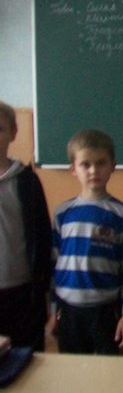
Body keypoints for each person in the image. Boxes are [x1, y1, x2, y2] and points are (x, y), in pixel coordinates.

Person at [51, 129, 123, 354]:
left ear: (112, 166)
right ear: (73, 169)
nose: (93, 170)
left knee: (112, 370)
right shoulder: (62, 213)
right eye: (85, 164)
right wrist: (53, 309)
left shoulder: (122, 214)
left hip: (106, 311)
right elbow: (54, 264)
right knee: (73, 369)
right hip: (68, 310)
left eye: (101, 163)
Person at [0, 101, 51, 351]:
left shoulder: (27, 181)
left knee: (27, 357)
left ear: (13, 133)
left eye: (0, 129)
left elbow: (42, 235)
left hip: (23, 292)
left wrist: (43, 288)